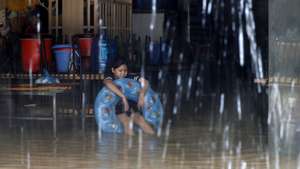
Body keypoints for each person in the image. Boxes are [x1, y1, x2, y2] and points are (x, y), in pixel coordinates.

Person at [103, 57, 155, 135]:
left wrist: (141, 94)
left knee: (141, 120)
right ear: (113, 70)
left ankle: (154, 143)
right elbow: (108, 83)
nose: (123, 73)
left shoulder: (130, 77)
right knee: (127, 122)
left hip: (131, 105)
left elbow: (146, 82)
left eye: (125, 71)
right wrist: (123, 97)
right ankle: (129, 145)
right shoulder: (110, 77)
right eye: (120, 70)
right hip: (116, 106)